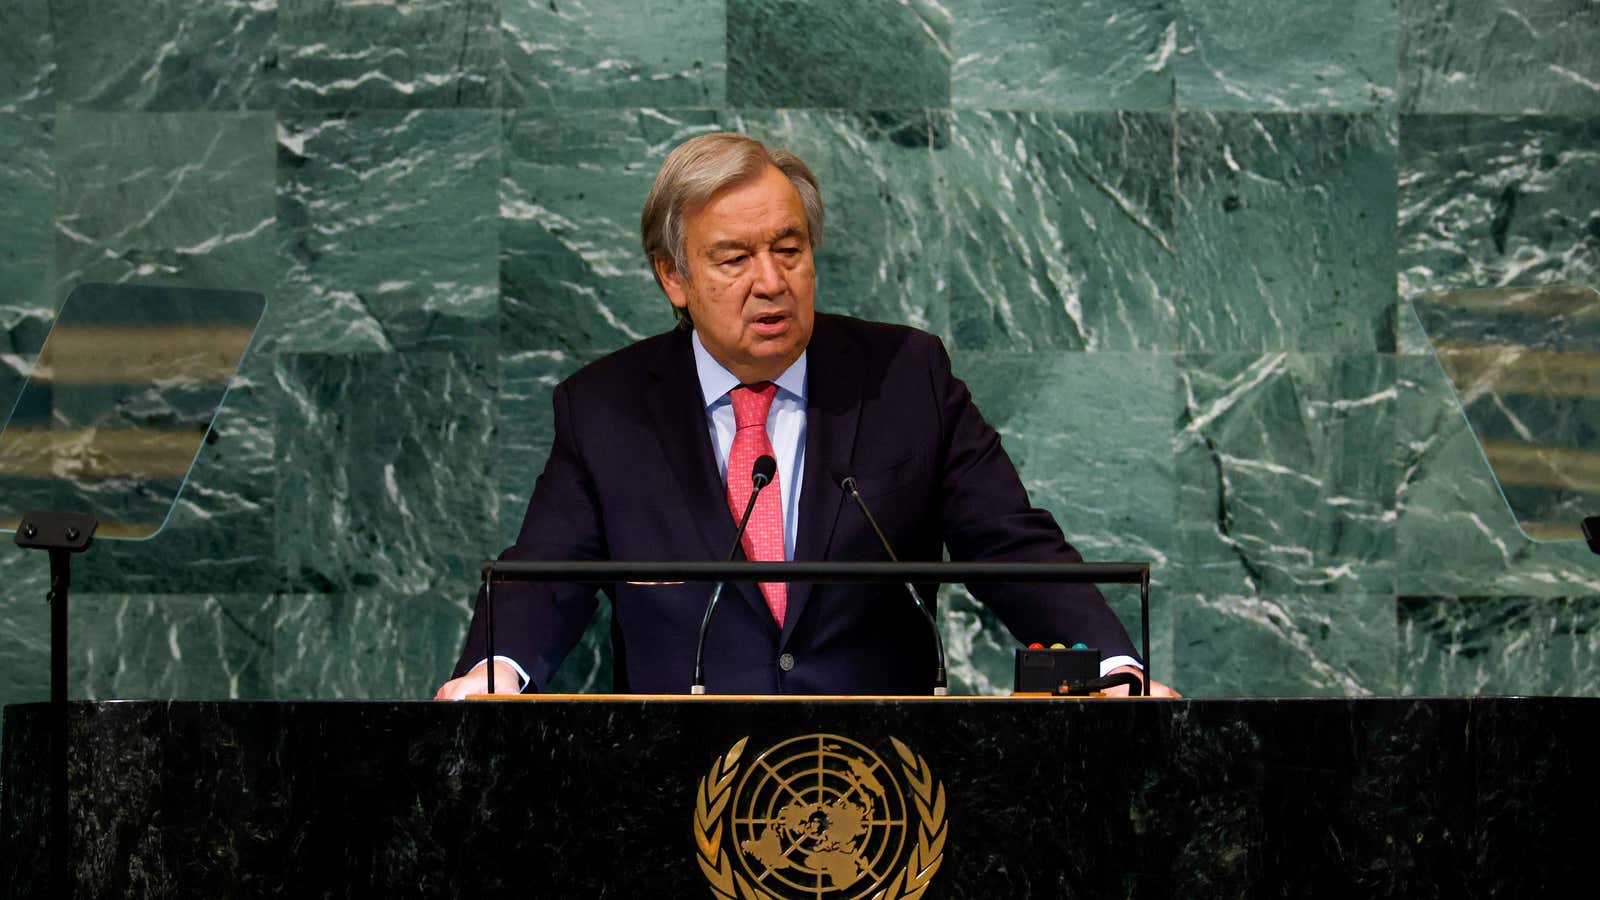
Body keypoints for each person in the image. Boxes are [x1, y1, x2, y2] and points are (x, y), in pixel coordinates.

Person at [436, 133, 1176, 699]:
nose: (771, 282)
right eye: (733, 259)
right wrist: (494, 673)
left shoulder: (904, 378)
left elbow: (1014, 549)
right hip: (676, 793)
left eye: (788, 249)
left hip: (888, 788)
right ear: (674, 276)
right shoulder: (606, 409)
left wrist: (1113, 669)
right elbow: (542, 579)